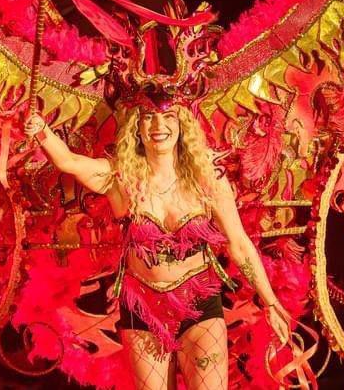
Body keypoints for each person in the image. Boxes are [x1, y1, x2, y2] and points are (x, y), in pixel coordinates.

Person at [22, 104, 291, 390]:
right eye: (148, 117)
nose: (157, 126)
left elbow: (239, 243)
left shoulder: (208, 179)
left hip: (199, 304)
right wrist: (42, 131)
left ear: (182, 123)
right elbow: (69, 163)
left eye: (168, 117)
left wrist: (271, 302)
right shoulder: (120, 179)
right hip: (143, 309)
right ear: (136, 126)